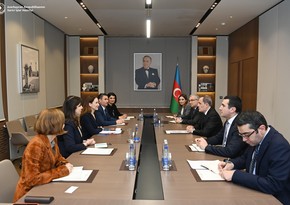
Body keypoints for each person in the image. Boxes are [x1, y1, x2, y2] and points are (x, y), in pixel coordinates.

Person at [219, 111, 290, 205]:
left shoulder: (279, 146)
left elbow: (273, 184)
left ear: (261, 128)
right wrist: (231, 164)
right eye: (241, 135)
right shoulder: (256, 138)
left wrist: (235, 175)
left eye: (246, 135)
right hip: (254, 190)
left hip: (274, 199)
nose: (244, 139)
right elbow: (246, 157)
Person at [13, 108, 73, 202]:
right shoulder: (36, 145)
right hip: (29, 195)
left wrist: (64, 163)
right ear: (54, 125)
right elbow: (32, 179)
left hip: (44, 187)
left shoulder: (52, 139)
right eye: (62, 122)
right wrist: (62, 171)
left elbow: (57, 158)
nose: (64, 125)